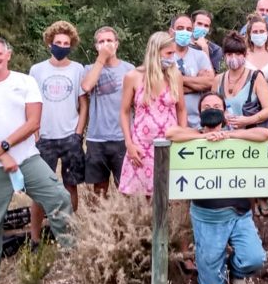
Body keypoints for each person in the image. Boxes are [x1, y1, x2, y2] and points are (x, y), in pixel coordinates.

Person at [0, 36, 74, 284]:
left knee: (58, 199)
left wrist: (5, 146)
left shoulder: (25, 82)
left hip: (27, 158)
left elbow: (33, 122)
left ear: (8, 54)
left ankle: (73, 254)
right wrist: (2, 157)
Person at [166, 94, 268, 284]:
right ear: (200, 112)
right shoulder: (192, 134)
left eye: (216, 106)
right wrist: (204, 137)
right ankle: (213, 267)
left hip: (238, 212)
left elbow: (264, 134)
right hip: (207, 216)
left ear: (224, 112)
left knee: (254, 259)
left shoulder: (236, 135)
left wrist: (229, 135)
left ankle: (236, 269)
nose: (211, 109)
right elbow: (171, 133)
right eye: (206, 107)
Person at [28, 20, 88, 244]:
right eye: (57, 42)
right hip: (45, 137)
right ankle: (35, 239)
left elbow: (83, 104)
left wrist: (78, 133)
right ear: (49, 44)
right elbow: (30, 104)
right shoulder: (37, 70)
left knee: (70, 185)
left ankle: (68, 233)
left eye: (65, 43)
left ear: (71, 44)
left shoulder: (78, 69)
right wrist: (35, 134)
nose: (61, 46)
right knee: (40, 190)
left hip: (70, 136)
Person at [118, 31, 188, 195]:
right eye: (168, 53)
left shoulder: (174, 75)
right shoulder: (133, 76)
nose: (172, 57)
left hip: (170, 143)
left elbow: (181, 108)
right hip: (142, 145)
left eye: (173, 53)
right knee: (139, 198)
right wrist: (129, 143)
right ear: (155, 52)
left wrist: (182, 135)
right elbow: (124, 111)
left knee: (168, 193)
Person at [80, 26, 134, 195]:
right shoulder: (89, 69)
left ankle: (125, 221)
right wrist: (101, 59)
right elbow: (87, 86)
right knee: (99, 188)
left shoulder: (128, 69)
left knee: (125, 187)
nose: (106, 44)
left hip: (122, 137)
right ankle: (100, 221)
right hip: (97, 137)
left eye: (109, 40)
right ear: (96, 46)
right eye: (101, 42)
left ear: (117, 44)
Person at [216, 31, 268, 129]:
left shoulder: (256, 77)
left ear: (245, 55)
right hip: (224, 136)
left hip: (249, 136)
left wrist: (248, 120)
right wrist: (222, 115)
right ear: (225, 56)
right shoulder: (217, 79)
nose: (233, 58)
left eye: (238, 54)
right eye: (230, 54)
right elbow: (212, 107)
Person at [171, 14, 215, 129]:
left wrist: (177, 79)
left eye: (189, 29)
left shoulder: (200, 56)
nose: (185, 32)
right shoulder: (165, 55)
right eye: (180, 28)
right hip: (170, 122)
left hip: (197, 123)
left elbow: (210, 82)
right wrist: (196, 83)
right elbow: (162, 86)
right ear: (172, 31)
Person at [244, 14, 268, 100]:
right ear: (250, 34)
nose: (258, 34)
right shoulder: (243, 55)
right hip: (247, 102)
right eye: (255, 32)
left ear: (267, 33)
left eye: (261, 31)